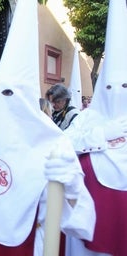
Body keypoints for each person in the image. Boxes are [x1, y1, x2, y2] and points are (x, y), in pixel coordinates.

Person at [0, 0, 95, 255]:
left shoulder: (55, 145)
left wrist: (71, 186)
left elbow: (83, 224)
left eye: (9, 95)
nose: (1, 104)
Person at [64, 1, 127, 255]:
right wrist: (101, 135)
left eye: (124, 88)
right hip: (88, 219)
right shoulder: (87, 119)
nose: (116, 95)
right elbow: (61, 146)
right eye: (109, 88)